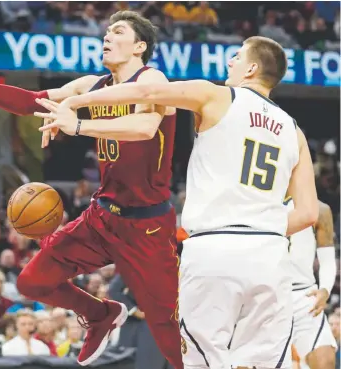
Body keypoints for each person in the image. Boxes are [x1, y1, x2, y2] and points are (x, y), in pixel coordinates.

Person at [39, 36, 319, 369]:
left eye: (237, 56)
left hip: (214, 249)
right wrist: (259, 229)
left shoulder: (217, 95)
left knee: (201, 361)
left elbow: (145, 91)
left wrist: (77, 105)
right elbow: (308, 213)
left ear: (252, 68)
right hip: (270, 255)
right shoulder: (294, 131)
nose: (230, 62)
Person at [0, 10, 182, 368]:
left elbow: (145, 126)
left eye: (118, 32)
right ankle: (99, 314)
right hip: (103, 216)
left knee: (165, 328)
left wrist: (78, 124)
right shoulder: (91, 85)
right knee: (31, 281)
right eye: (106, 32)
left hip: (146, 224)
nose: (107, 37)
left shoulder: (153, 79)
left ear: (140, 46)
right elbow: (31, 102)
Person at [287, 198, 337, 369]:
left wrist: (325, 289)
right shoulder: (257, 201)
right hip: (268, 294)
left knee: (325, 361)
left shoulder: (320, 209)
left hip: (304, 294)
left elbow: (328, 260)